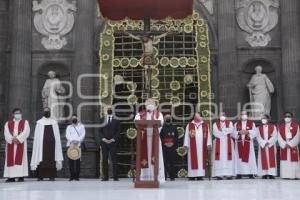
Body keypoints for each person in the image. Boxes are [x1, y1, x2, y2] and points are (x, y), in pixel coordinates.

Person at [134, 98, 165, 183]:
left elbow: (161, 123)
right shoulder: (140, 114)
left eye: (151, 103)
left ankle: (156, 178)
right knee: (144, 157)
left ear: (155, 105)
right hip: (143, 139)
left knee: (155, 158)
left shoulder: (159, 114)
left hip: (155, 139)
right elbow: (136, 123)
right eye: (148, 103)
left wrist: (153, 118)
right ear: (145, 104)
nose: (150, 104)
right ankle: (144, 177)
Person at [30, 108, 64, 181]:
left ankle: (52, 176)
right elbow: (37, 136)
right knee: (41, 159)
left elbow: (57, 136)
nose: (47, 112)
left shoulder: (54, 123)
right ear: (43, 112)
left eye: (48, 111)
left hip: (52, 145)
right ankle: (40, 176)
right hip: (42, 145)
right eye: (45, 111)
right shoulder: (39, 123)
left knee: (52, 160)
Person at [3, 108, 30, 182]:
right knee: (10, 159)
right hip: (11, 144)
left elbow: (26, 131)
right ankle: (11, 177)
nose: (18, 114)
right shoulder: (8, 123)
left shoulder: (25, 122)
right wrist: (12, 139)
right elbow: (6, 133)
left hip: (20, 143)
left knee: (21, 160)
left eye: (19, 113)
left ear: (21, 114)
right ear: (13, 114)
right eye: (16, 113)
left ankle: (21, 176)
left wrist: (18, 139)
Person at [184, 113, 212, 181]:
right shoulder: (190, 125)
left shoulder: (205, 125)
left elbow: (208, 135)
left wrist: (208, 143)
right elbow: (187, 135)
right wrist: (186, 144)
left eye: (198, 116)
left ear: (201, 117)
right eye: (196, 116)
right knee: (192, 160)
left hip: (202, 146)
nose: (197, 117)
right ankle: (192, 175)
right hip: (192, 146)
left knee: (201, 160)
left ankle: (200, 175)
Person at [96, 105, 120, 181]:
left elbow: (118, 131)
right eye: (108, 108)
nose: (109, 109)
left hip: (113, 143)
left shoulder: (116, 120)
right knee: (104, 159)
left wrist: (113, 139)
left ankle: (115, 176)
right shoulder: (102, 119)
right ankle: (105, 176)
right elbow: (99, 130)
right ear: (105, 110)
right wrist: (103, 139)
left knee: (114, 159)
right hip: (104, 143)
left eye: (110, 108)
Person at [233, 111, 257, 179]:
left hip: (248, 143)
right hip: (239, 144)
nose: (243, 115)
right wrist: (238, 132)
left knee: (250, 158)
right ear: (240, 115)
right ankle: (239, 173)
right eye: (242, 114)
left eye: (245, 114)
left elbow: (255, 132)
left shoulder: (252, 123)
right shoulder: (236, 124)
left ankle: (250, 173)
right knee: (239, 158)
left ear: (247, 115)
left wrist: (248, 131)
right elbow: (233, 132)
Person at [212, 112, 235, 180]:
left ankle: (229, 174)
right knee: (220, 158)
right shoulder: (215, 124)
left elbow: (231, 130)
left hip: (228, 143)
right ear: (219, 116)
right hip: (219, 143)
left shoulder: (230, 123)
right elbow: (215, 133)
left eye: (224, 115)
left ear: (226, 116)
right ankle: (219, 174)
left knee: (228, 157)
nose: (222, 116)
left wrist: (222, 130)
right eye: (221, 115)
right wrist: (225, 132)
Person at [278, 112, 300, 179]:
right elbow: (279, 137)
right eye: (286, 116)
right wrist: (284, 144)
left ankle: (294, 175)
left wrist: (290, 144)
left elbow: (298, 136)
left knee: (293, 161)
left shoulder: (296, 126)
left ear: (291, 117)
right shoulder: (281, 127)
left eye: (288, 116)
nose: (287, 117)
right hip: (284, 146)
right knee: (285, 162)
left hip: (292, 146)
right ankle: (285, 175)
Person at [256, 114, 277, 179]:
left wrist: (268, 142)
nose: (263, 120)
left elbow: (275, 136)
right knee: (263, 159)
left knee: (271, 159)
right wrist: (263, 143)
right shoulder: (258, 128)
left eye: (265, 118)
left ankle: (271, 173)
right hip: (263, 146)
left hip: (271, 146)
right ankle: (264, 173)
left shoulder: (273, 127)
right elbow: (258, 137)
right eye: (262, 118)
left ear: (268, 119)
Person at [66, 114, 86, 181]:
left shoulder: (81, 126)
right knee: (71, 161)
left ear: (77, 118)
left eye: (75, 118)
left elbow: (83, 134)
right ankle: (71, 176)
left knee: (77, 162)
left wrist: (78, 141)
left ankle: (77, 176)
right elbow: (67, 135)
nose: (74, 119)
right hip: (70, 145)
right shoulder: (69, 127)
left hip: (78, 145)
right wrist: (72, 140)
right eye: (73, 118)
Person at [160, 114, 178, 181]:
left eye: (169, 117)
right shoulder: (161, 128)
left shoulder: (174, 127)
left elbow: (176, 137)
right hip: (164, 148)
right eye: (166, 117)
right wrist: (164, 143)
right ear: (164, 119)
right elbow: (160, 137)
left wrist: (173, 143)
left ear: (171, 119)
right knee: (164, 162)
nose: (168, 118)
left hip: (172, 147)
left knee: (172, 162)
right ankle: (164, 176)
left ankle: (172, 176)